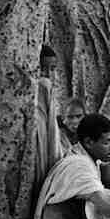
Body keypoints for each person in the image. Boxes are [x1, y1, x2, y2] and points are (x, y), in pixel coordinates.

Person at [33, 46, 65, 189]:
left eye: (52, 68)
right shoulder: (41, 87)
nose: (48, 73)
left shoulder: (48, 91)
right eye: (43, 68)